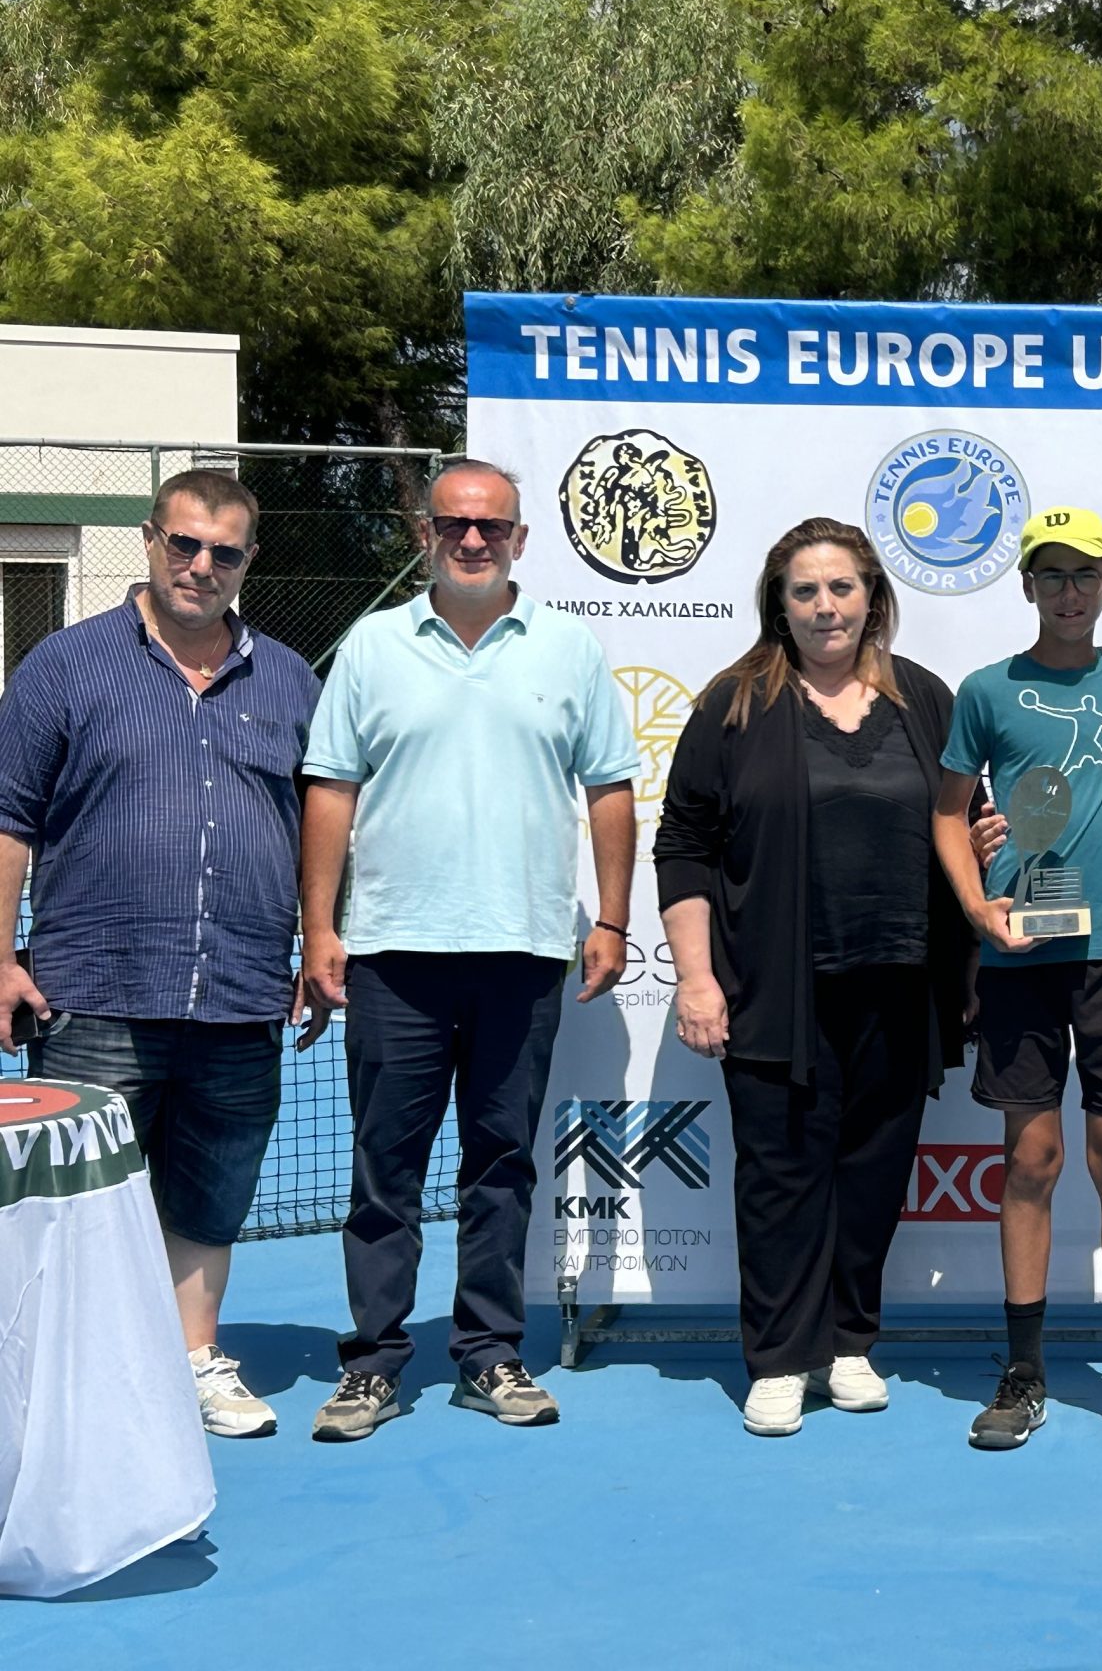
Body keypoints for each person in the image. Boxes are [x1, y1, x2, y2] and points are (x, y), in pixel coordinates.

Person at [299, 459, 638, 1441]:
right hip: (392, 953)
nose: (474, 540)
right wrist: (321, 928)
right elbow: (330, 788)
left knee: (500, 1167)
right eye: (455, 524)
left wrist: (611, 920)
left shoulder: (571, 649)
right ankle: (371, 1365)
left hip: (525, 954)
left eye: (492, 527)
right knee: (383, 1170)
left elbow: (609, 788)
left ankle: (489, 1355)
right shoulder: (372, 646)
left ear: (522, 540)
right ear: (427, 534)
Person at [0, 469, 320, 1438]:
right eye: (184, 544)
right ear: (149, 541)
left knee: (211, 1194)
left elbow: (319, 830)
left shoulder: (293, 681)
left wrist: (317, 942)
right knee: (78, 1203)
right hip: (91, 992)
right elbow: (9, 821)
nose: (200, 566)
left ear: (249, 561)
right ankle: (70, 1386)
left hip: (239, 992)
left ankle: (193, 1362)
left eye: (223, 552)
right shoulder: (64, 665)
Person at [655, 519, 981, 1438]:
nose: (826, 607)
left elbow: (963, 822)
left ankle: (848, 1346)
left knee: (874, 1172)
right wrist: (695, 977)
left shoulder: (926, 699)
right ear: (780, 605)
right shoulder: (735, 702)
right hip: (773, 988)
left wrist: (985, 847)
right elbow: (683, 845)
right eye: (806, 591)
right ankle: (776, 1358)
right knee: (779, 1176)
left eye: (842, 588)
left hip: (902, 982)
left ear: (874, 598)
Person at [931, 506, 1102, 1452]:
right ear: (1026, 585)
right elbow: (952, 814)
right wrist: (978, 907)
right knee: (1030, 1161)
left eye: (1085, 574)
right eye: (1051, 574)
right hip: (1022, 955)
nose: (1068, 591)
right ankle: (1024, 1371)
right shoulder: (987, 689)